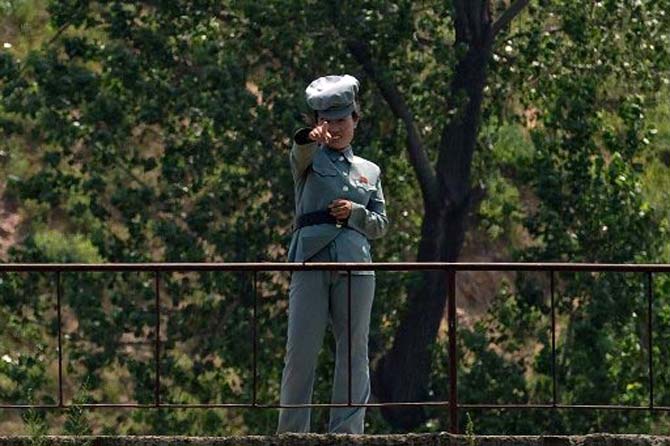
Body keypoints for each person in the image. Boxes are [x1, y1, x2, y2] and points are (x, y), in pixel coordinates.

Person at [276, 74, 389, 434]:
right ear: (317, 123)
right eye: (327, 121)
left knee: (354, 352)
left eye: (342, 120)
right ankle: (292, 433)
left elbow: (380, 223)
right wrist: (309, 138)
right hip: (310, 260)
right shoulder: (308, 159)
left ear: (355, 119)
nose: (335, 128)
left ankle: (347, 432)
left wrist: (355, 213)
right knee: (301, 352)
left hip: (355, 264)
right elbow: (299, 149)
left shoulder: (369, 170)